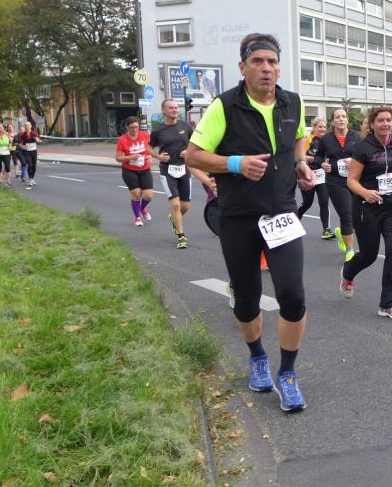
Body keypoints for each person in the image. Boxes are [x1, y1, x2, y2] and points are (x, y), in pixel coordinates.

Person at [185, 33, 314, 413]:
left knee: (293, 296)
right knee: (246, 299)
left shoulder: (293, 102)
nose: (266, 68)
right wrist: (235, 163)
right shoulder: (224, 106)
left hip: (282, 214)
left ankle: (287, 374)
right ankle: (257, 355)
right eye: (258, 61)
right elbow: (193, 155)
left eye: (272, 62)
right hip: (239, 216)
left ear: (279, 68)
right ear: (243, 67)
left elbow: (299, 137)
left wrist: (300, 163)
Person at [340, 106, 392, 320]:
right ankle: (348, 272)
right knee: (369, 255)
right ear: (372, 124)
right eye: (380, 121)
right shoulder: (363, 148)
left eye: (388, 120)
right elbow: (351, 180)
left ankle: (387, 304)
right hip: (367, 207)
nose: (385, 124)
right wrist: (365, 193)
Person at [148, 98, 196, 249]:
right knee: (175, 204)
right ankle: (181, 236)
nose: (175, 110)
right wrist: (158, 157)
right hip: (167, 170)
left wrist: (188, 152)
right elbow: (149, 147)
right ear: (164, 111)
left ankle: (173, 217)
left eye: (176, 107)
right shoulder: (158, 130)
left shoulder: (185, 126)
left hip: (184, 168)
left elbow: (195, 144)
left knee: (185, 206)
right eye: (171, 108)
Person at [314, 108, 359, 261]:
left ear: (347, 120)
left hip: (355, 180)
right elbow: (318, 157)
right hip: (335, 182)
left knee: (356, 215)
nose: (341, 119)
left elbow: (365, 156)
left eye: (343, 116)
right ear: (333, 121)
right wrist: (322, 164)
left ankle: (342, 234)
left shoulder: (356, 137)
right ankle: (350, 250)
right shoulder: (326, 139)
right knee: (346, 214)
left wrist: (354, 161)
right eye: (337, 117)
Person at [296, 117, 333, 240]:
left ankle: (326, 230)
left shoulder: (327, 140)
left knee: (324, 201)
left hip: (321, 175)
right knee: (307, 203)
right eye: (320, 127)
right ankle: (295, 220)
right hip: (308, 174)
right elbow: (300, 156)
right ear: (314, 127)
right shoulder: (308, 139)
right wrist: (315, 159)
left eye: (324, 127)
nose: (322, 129)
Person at [115, 117, 154, 226]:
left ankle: (142, 208)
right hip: (129, 170)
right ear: (127, 127)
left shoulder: (145, 135)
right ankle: (137, 217)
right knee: (136, 194)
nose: (135, 129)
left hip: (145, 169)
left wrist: (150, 156)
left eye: (136, 127)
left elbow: (150, 149)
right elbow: (118, 158)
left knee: (148, 195)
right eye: (132, 127)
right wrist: (130, 157)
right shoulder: (122, 140)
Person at [17, 122, 41, 187]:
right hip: (26, 152)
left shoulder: (34, 133)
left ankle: (32, 179)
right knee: (30, 165)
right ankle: (30, 179)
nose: (27, 126)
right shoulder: (22, 135)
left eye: (28, 125)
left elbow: (39, 141)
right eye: (26, 125)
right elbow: (19, 143)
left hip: (34, 151)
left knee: (34, 166)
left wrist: (38, 140)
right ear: (24, 127)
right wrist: (22, 146)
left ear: (30, 126)